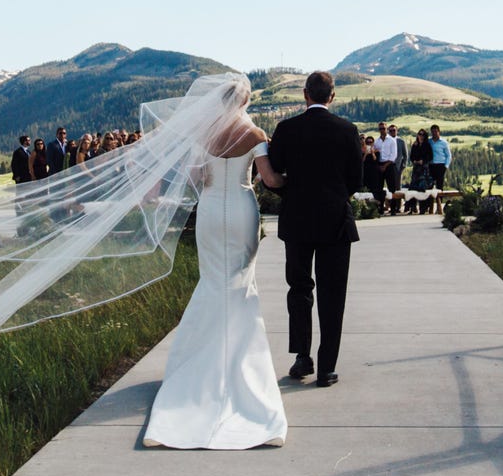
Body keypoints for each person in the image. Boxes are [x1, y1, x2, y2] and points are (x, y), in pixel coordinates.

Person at [142, 74, 288, 449]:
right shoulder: (256, 136)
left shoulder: (204, 135)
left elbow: (195, 177)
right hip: (241, 210)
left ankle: (197, 369)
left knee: (211, 282)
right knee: (240, 286)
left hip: (209, 210)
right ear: (245, 102)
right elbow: (270, 180)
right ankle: (240, 370)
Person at [265, 70, 363, 387]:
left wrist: (293, 194)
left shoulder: (286, 129)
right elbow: (356, 182)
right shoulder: (348, 131)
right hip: (336, 221)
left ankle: (302, 357)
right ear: (332, 96)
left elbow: (276, 174)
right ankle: (327, 367)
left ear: (305, 94)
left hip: (297, 220)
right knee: (333, 295)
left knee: (299, 289)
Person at [428, 125, 450, 190]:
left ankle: (440, 200)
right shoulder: (429, 142)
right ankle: (430, 200)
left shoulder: (444, 143)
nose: (434, 133)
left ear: (439, 132)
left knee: (439, 186)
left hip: (440, 166)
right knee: (429, 185)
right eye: (432, 132)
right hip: (431, 166)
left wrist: (446, 166)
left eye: (435, 131)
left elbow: (448, 155)